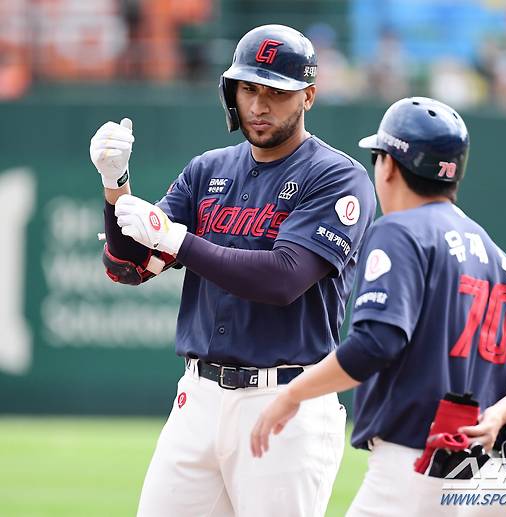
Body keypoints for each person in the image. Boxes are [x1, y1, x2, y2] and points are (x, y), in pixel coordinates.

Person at [88, 24, 376, 517]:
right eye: (249, 88)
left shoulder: (337, 175)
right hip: (197, 398)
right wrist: (115, 185)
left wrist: (176, 237)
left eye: (276, 92)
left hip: (285, 402)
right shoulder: (208, 169)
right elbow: (129, 267)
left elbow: (284, 278)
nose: (259, 105)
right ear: (231, 91)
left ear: (308, 95)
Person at [251, 96, 506, 516]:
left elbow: (376, 343)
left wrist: (292, 394)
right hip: (496, 473)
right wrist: (501, 411)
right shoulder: (496, 256)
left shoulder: (400, 232)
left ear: (388, 164)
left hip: (420, 464)